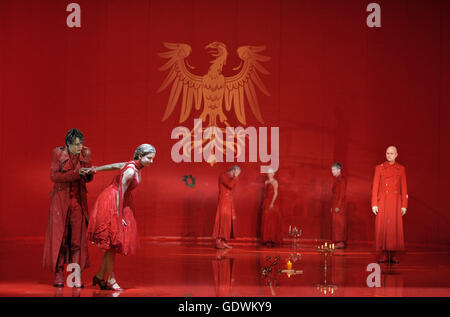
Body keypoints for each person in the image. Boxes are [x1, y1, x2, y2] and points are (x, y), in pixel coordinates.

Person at [84, 144, 156, 290]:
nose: (151, 161)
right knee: (113, 242)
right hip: (114, 202)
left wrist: (95, 169)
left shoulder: (133, 165)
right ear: (140, 156)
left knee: (112, 244)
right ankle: (110, 279)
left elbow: (115, 165)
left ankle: (99, 276)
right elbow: (120, 194)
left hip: (121, 201)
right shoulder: (130, 171)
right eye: (149, 158)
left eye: (152, 158)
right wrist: (118, 215)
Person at [43, 128, 93, 288]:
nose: (80, 147)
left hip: (78, 199)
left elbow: (88, 178)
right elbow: (54, 176)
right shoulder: (58, 153)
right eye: (76, 144)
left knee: (77, 239)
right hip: (60, 200)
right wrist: (77, 174)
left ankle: (75, 276)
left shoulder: (85, 153)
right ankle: (58, 274)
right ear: (68, 144)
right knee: (61, 238)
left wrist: (89, 173)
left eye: (81, 143)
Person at [371, 146, 408, 264]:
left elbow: (404, 187)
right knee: (383, 227)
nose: (389, 155)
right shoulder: (379, 168)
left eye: (392, 153)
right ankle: (383, 253)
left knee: (393, 228)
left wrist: (404, 205)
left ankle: (393, 254)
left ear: (396, 154)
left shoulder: (401, 169)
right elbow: (375, 186)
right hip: (383, 201)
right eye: (387, 153)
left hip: (395, 202)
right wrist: (374, 203)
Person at [213, 166, 241, 249]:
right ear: (233, 170)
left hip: (229, 201)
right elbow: (230, 185)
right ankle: (219, 242)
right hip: (224, 201)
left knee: (228, 222)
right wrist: (236, 177)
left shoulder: (231, 178)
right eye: (237, 172)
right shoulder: (223, 176)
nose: (237, 175)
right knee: (223, 220)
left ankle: (224, 241)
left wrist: (235, 177)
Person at [261, 168, 282, 246]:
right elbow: (265, 193)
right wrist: (264, 202)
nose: (269, 174)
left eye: (271, 173)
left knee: (271, 220)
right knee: (266, 220)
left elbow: (276, 193)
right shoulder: (266, 182)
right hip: (266, 201)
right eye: (268, 173)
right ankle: (266, 239)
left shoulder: (275, 182)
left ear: (273, 174)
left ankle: (272, 239)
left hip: (272, 202)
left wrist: (272, 203)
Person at [330, 163, 347, 249]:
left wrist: (338, 206)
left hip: (339, 206)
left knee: (339, 224)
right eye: (332, 170)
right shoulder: (336, 179)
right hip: (335, 205)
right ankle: (337, 241)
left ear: (338, 170)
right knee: (336, 224)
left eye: (334, 170)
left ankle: (340, 242)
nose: (332, 172)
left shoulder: (341, 180)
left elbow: (342, 194)